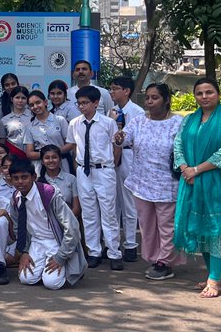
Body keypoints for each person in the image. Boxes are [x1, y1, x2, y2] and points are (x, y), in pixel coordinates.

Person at [173, 78, 221, 298]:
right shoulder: (190, 121)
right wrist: (185, 168)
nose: (204, 97)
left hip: (219, 182)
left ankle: (214, 281)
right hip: (192, 180)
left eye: (209, 92)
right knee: (201, 227)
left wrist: (196, 170)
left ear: (218, 94)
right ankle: (214, 275)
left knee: (218, 228)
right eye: (199, 93)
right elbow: (178, 145)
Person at [116, 83, 184, 281]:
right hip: (142, 183)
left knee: (167, 225)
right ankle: (155, 259)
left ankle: (165, 262)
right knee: (147, 225)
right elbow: (124, 138)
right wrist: (119, 137)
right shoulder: (139, 122)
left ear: (166, 100)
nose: (149, 102)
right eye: (147, 98)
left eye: (155, 98)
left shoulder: (178, 123)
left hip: (167, 183)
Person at [8, 159, 87, 289]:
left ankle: (69, 266)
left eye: (24, 177)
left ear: (34, 177)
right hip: (36, 241)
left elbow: (71, 227)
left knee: (52, 283)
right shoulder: (16, 198)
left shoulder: (48, 193)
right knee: (26, 278)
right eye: (15, 178)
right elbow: (18, 228)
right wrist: (24, 252)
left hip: (56, 241)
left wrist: (60, 257)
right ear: (11, 180)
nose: (20, 182)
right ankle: (44, 268)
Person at [67, 86, 122, 269]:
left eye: (85, 103)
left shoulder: (108, 123)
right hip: (84, 171)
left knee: (109, 213)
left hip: (104, 170)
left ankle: (114, 252)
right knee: (89, 213)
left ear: (96, 103)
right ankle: (93, 251)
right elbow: (74, 145)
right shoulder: (75, 123)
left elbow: (116, 145)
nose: (82, 107)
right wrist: (78, 168)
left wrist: (111, 164)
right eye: (79, 103)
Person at [109, 76, 145, 262]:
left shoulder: (138, 113)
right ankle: (113, 244)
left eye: (115, 88)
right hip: (111, 158)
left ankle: (131, 244)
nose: (112, 92)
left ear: (126, 91)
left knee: (129, 203)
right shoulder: (112, 112)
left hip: (130, 156)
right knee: (113, 204)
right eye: (111, 89)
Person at [28, 90, 72, 169]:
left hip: (62, 164)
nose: (35, 107)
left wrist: (55, 154)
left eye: (38, 103)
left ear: (45, 102)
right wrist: (46, 155)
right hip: (40, 166)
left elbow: (70, 144)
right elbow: (29, 153)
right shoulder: (29, 126)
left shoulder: (59, 120)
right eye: (31, 105)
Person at [38, 144, 79, 218]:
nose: (51, 160)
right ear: (42, 161)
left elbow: (77, 209)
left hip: (70, 221)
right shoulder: (39, 183)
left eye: (54, 157)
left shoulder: (71, 179)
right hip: (48, 225)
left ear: (60, 159)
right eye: (47, 158)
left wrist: (63, 221)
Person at [0, 86, 36, 161]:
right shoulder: (4, 120)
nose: (20, 100)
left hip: (32, 157)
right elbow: (2, 142)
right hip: (13, 157)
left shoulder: (34, 116)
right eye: (17, 97)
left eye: (23, 98)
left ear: (27, 100)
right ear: (12, 99)